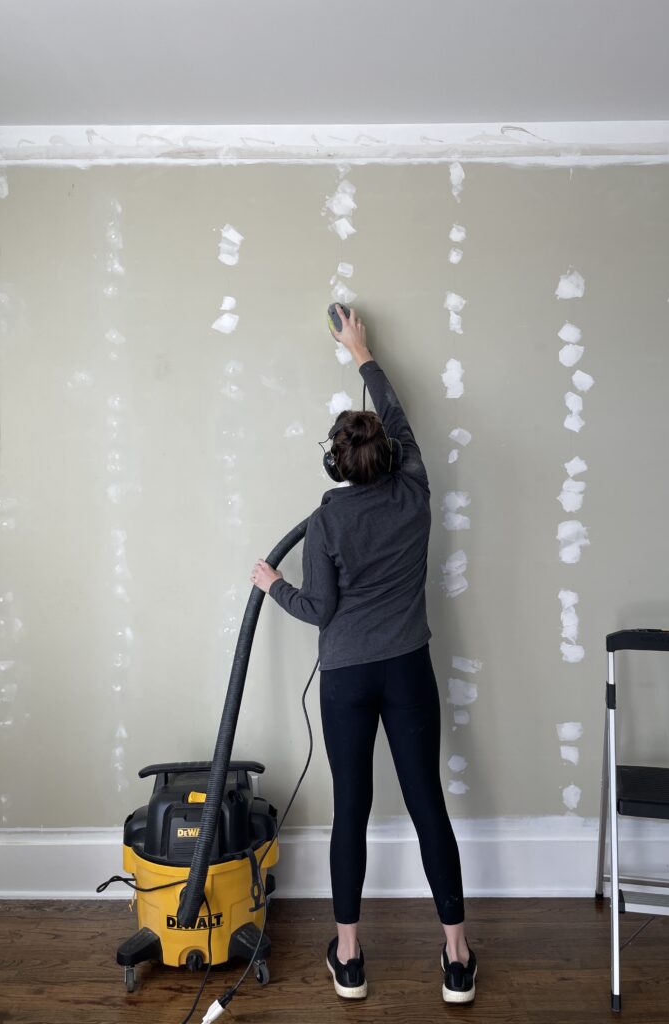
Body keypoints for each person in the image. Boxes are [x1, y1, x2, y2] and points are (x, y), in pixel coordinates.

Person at [250, 305, 475, 1003]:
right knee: (428, 806)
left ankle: (349, 959)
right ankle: (457, 960)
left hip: (347, 678)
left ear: (335, 464)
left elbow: (319, 611)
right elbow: (399, 419)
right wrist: (362, 352)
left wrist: (274, 583)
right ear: (389, 455)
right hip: (407, 668)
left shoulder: (325, 522)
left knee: (353, 809)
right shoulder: (416, 491)